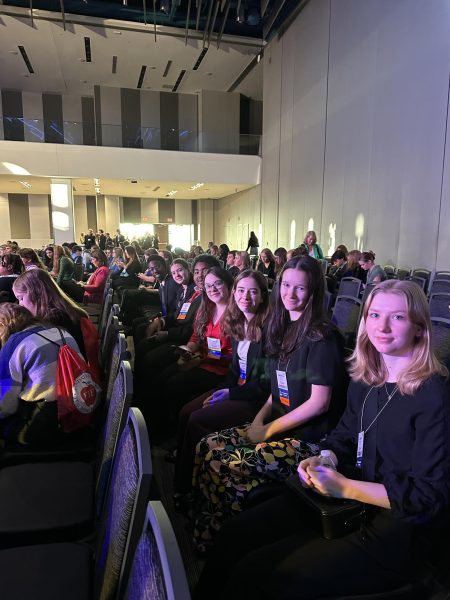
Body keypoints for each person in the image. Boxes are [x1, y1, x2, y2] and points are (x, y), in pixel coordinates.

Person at [195, 280, 450, 600]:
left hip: (394, 526)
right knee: (235, 534)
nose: (382, 326)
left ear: (419, 328)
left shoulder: (433, 394)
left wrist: (343, 487)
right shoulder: (368, 376)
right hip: (345, 498)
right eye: (374, 315)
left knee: (260, 575)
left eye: (397, 317)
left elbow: (427, 497)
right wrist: (326, 458)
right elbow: (344, 435)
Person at [191, 255, 347, 550]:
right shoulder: (284, 327)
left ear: (313, 292)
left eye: (300, 288)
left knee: (224, 463)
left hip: (308, 441)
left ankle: (225, 540)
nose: (290, 293)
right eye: (286, 285)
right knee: (206, 446)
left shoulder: (322, 337)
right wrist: (259, 421)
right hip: (278, 424)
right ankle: (209, 527)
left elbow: (319, 404)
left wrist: (268, 430)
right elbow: (276, 390)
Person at [173, 269, 270, 500]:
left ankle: (184, 488)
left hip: (253, 398)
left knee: (198, 419)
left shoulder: (267, 330)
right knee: (187, 412)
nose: (246, 297)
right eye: (242, 290)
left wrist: (229, 394)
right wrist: (221, 390)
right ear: (235, 293)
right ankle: (185, 466)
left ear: (263, 297)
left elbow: (265, 385)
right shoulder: (239, 325)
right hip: (234, 387)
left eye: (253, 291)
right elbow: (234, 372)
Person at [143, 267, 233, 441]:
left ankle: (173, 434)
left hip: (219, 369)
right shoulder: (206, 308)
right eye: (208, 286)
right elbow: (196, 335)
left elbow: (235, 356)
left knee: (173, 384)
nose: (212, 289)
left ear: (229, 285)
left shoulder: (237, 313)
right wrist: (189, 349)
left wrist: (201, 358)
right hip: (200, 359)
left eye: (218, 284)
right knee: (162, 376)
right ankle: (158, 429)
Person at [0, 303, 86, 448]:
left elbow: (7, 406)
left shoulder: (14, 343)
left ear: (2, 324)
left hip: (46, 425)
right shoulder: (59, 330)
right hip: (81, 412)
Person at [12, 269, 90, 358]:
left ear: (36, 293)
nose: (20, 304)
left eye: (21, 298)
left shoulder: (52, 322)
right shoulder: (68, 311)